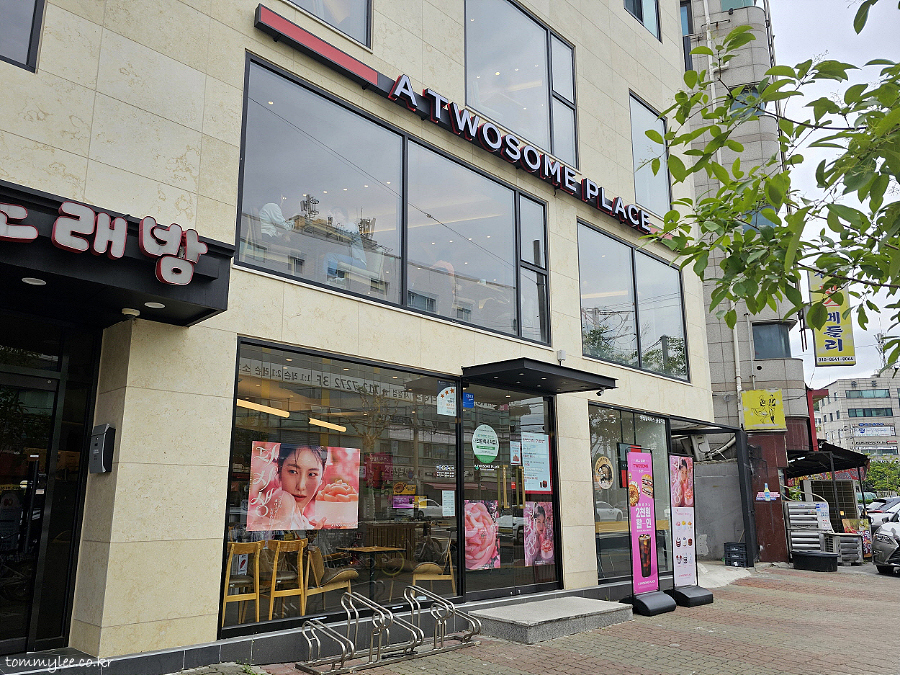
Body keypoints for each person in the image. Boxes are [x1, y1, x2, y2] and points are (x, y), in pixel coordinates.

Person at [265, 445, 328, 530]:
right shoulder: (283, 499)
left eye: (312, 474)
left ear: (322, 475)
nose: (301, 486)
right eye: (293, 471)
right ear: (279, 469)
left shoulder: (305, 523)